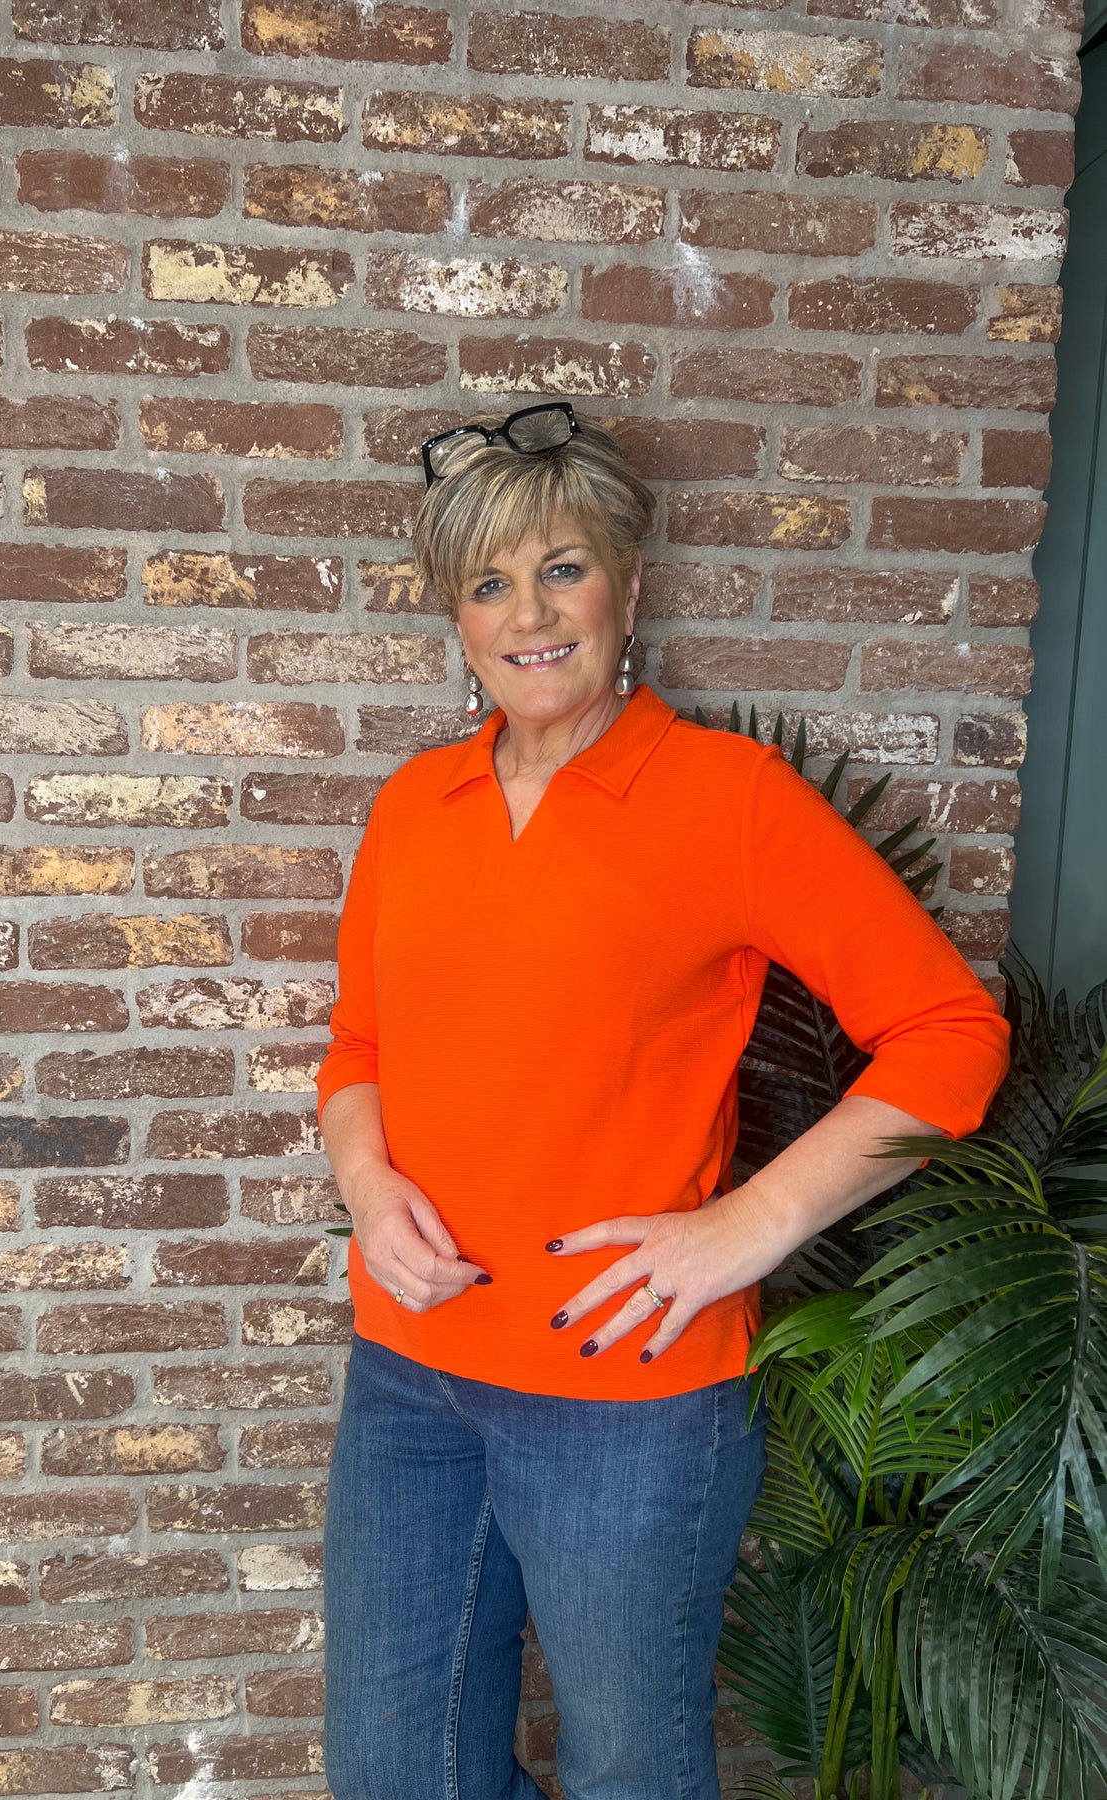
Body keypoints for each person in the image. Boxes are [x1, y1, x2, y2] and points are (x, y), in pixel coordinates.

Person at [314, 403, 1011, 1800]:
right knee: (394, 1771)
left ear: (626, 589)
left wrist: (746, 1227)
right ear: (456, 617)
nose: (528, 614)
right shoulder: (413, 807)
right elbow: (357, 1048)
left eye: (561, 569)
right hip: (409, 1376)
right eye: (489, 583)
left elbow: (951, 1033)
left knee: (630, 1772)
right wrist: (369, 1188)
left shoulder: (724, 798)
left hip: (627, 1401)